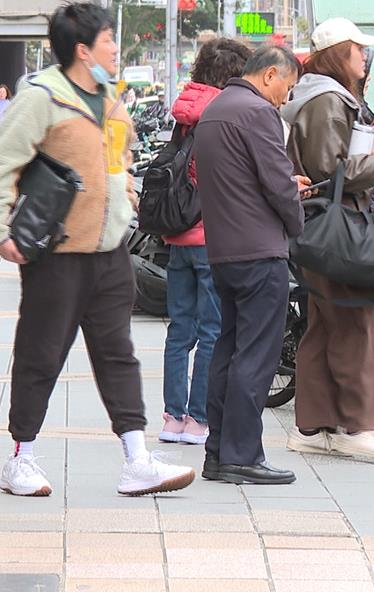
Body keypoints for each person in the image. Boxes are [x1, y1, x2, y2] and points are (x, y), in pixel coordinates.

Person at [0, 1, 195, 497]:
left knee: (118, 354)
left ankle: (137, 459)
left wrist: (129, 196)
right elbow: (0, 163)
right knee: (41, 354)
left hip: (110, 250)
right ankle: (21, 459)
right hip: (56, 252)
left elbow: (119, 157)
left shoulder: (112, 98)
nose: (117, 49)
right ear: (82, 50)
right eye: (108, 41)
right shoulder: (43, 97)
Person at [281, 18, 374, 462]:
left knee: (326, 324)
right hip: (342, 225)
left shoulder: (317, 95)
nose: (364, 58)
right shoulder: (329, 101)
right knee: (362, 322)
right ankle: (357, 426)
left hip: (318, 225)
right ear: (340, 54)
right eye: (358, 50)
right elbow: (330, 171)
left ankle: (315, 425)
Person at [194, 45, 308, 485]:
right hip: (260, 250)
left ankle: (218, 452)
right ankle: (242, 454)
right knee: (256, 356)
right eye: (287, 87)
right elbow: (277, 184)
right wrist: (295, 212)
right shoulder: (258, 113)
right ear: (269, 76)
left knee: (227, 350)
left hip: (224, 248)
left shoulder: (217, 109)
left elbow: (241, 177)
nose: (285, 97)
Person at [159, 37, 252, 447]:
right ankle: (198, 419)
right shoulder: (224, 110)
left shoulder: (185, 107)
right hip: (210, 234)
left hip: (178, 234)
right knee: (212, 329)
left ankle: (171, 418)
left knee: (180, 329)